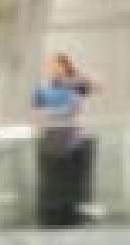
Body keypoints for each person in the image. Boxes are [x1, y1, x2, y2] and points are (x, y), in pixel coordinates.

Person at [32, 52, 96, 227]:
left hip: (73, 143)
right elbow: (37, 115)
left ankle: (75, 216)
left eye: (57, 66)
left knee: (73, 182)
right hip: (51, 142)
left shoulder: (74, 86)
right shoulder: (41, 89)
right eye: (50, 66)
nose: (53, 70)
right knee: (52, 182)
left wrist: (74, 78)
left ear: (65, 67)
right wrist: (50, 117)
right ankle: (51, 217)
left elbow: (94, 86)